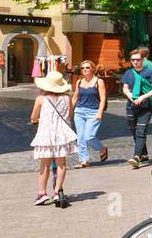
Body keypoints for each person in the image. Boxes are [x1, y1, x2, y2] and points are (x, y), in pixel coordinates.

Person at [30, 69, 78, 206]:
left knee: (44, 165)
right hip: (62, 134)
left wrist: (37, 120)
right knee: (61, 164)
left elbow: (33, 117)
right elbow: (70, 115)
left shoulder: (41, 99)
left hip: (46, 134)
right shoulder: (67, 98)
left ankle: (42, 193)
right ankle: (57, 192)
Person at [122, 51, 152, 168]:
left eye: (137, 60)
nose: (135, 62)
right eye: (133, 60)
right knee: (134, 131)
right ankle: (144, 155)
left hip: (146, 106)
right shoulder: (128, 73)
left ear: (142, 60)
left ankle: (136, 157)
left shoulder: (150, 73)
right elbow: (125, 88)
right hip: (131, 105)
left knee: (141, 130)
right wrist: (130, 96)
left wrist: (143, 97)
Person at [71, 60, 108, 167]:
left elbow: (103, 98)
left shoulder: (98, 81)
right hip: (79, 112)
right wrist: (70, 111)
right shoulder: (79, 82)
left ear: (92, 69)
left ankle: (102, 149)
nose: (85, 70)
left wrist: (100, 112)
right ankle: (84, 160)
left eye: (87, 67)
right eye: (83, 68)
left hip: (93, 112)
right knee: (81, 137)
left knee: (89, 136)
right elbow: (75, 98)